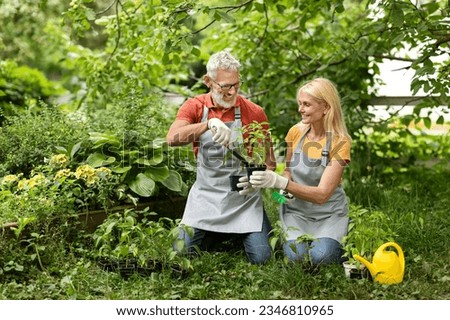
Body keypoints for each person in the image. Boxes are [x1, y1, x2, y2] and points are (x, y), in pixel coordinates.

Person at [166, 50, 276, 264]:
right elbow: (172, 138)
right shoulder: (195, 106)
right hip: (206, 198)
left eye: (236, 84)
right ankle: (224, 233)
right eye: (225, 86)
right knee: (180, 253)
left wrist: (259, 181)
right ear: (208, 81)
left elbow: (270, 163)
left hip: (243, 201)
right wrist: (208, 124)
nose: (232, 91)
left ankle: (228, 233)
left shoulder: (254, 112)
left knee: (262, 258)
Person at [249, 77, 351, 266]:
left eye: (306, 105)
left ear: (326, 108)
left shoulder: (340, 142)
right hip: (296, 212)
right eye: (299, 104)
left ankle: (338, 237)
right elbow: (288, 170)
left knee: (322, 257)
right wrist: (281, 195)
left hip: (329, 214)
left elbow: (321, 195)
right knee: (296, 257)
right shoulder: (296, 132)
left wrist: (281, 182)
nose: (300, 109)